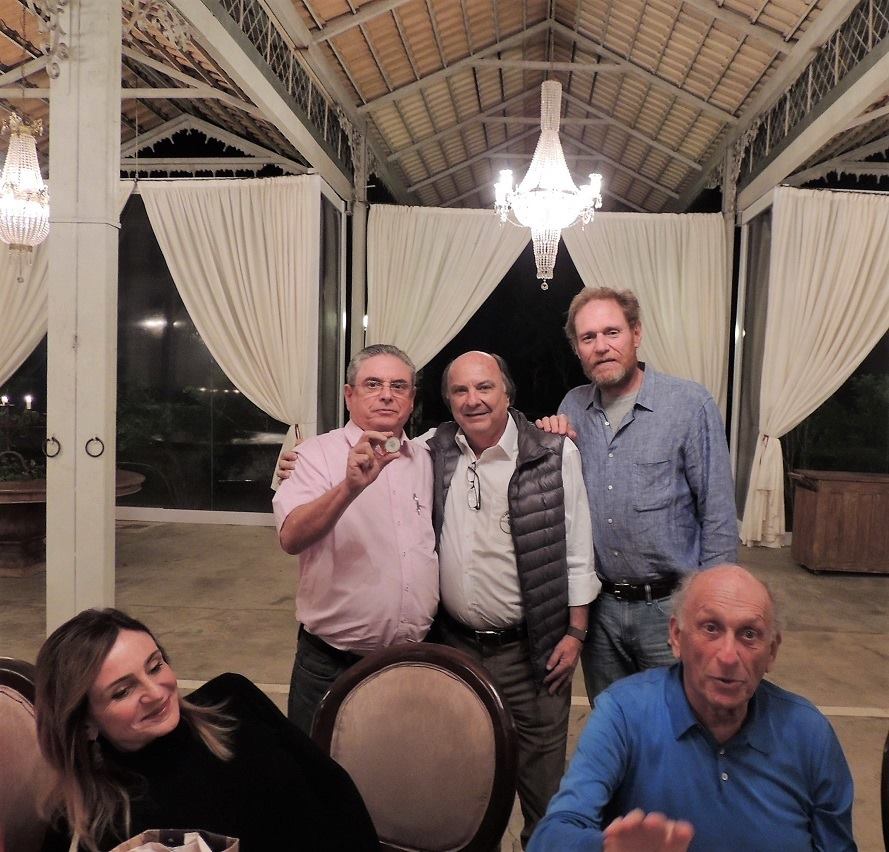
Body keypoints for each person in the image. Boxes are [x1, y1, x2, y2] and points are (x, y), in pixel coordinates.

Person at [528, 565, 857, 852]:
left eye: (749, 634)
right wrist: (606, 849)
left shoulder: (809, 733)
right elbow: (551, 837)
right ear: (676, 636)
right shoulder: (624, 715)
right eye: (711, 628)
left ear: (771, 651)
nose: (728, 656)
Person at [428, 351, 599, 846]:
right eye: (460, 391)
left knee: (544, 794)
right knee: (465, 788)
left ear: (507, 393)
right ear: (448, 401)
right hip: (456, 649)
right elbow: (371, 448)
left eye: (484, 387)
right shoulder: (433, 450)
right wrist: (304, 462)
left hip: (535, 653)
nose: (473, 400)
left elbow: (578, 548)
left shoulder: (554, 453)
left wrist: (576, 632)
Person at [35, 608, 378, 852]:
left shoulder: (235, 702)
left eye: (155, 666)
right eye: (123, 691)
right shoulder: (90, 822)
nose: (155, 692)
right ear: (85, 723)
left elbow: (337, 798)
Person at [539, 286, 738, 701]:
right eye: (588, 337)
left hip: (672, 607)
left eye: (612, 332)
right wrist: (550, 441)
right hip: (601, 612)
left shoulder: (689, 405)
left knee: (681, 722)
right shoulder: (572, 408)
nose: (601, 346)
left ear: (636, 333)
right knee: (616, 723)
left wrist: (715, 610)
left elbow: (718, 515)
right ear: (577, 349)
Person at [272, 343, 438, 734]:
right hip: (331, 665)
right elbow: (291, 537)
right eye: (373, 384)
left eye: (399, 386)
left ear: (412, 399)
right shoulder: (314, 455)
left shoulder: (427, 458)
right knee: (318, 766)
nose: (387, 395)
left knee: (399, 764)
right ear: (349, 395)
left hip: (412, 660)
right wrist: (349, 487)